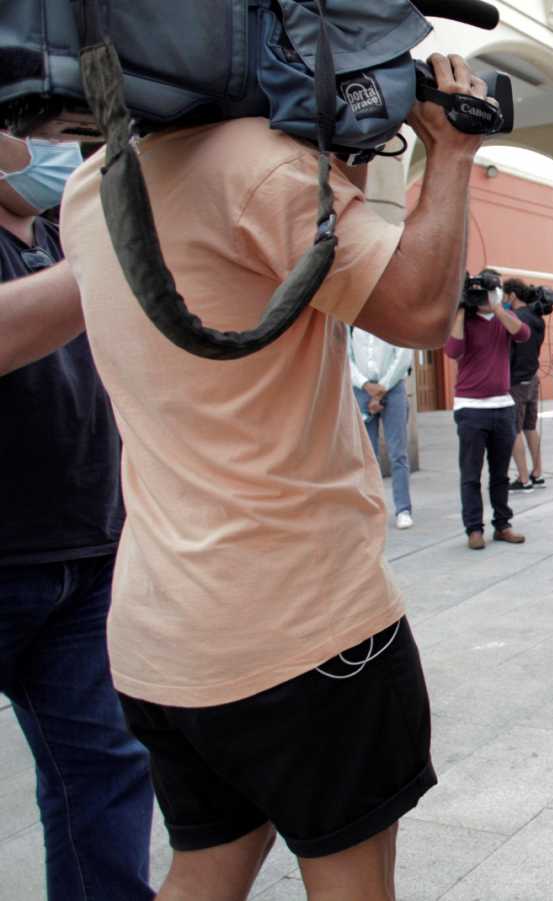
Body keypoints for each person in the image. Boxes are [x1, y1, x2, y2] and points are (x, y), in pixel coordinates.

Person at [58, 53, 490, 897]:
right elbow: (420, 310)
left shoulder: (92, 186)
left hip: (163, 630)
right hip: (300, 631)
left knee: (206, 868)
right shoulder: (264, 171)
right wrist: (452, 150)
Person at [0, 133, 156, 901]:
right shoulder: (88, 252)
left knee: (104, 772)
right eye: (33, 128)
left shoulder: (64, 233)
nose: (56, 148)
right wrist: (118, 249)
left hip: (86, 553)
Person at [444, 269, 531, 550]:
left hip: (502, 406)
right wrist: (460, 308)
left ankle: (503, 524)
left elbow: (523, 333)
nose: (481, 297)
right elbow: (453, 351)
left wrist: (496, 307)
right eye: (478, 292)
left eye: (488, 291)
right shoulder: (463, 321)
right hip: (470, 408)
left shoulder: (504, 319)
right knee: (471, 473)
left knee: (500, 474)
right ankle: (474, 529)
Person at [349, 326, 416, 528]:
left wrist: (382, 389)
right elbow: (345, 357)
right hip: (362, 390)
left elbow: (403, 356)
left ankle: (403, 509)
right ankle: (372, 510)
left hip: (393, 388)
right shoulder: (351, 323)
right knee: (367, 456)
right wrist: (365, 385)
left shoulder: (392, 319)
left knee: (398, 454)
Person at [503, 279, 547, 491]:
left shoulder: (513, 318)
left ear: (512, 295)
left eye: (504, 295)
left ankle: (523, 478)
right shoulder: (538, 318)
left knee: (514, 429)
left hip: (515, 380)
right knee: (530, 426)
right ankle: (537, 472)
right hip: (532, 377)